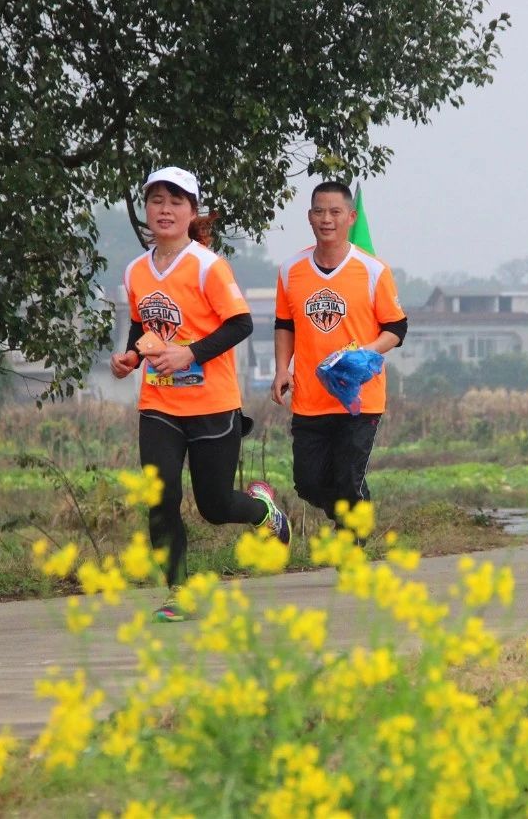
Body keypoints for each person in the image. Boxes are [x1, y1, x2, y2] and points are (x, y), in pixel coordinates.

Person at [111, 166, 290, 621]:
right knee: (161, 497)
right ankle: (178, 593)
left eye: (175, 201)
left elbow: (241, 323)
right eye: (156, 201)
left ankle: (263, 511)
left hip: (213, 404)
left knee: (214, 506)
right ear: (146, 210)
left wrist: (190, 354)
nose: (165, 210)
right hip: (159, 404)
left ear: (192, 212)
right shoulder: (136, 271)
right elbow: (142, 325)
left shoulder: (208, 266)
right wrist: (131, 356)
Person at [270, 181, 407, 534]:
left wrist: (366, 352)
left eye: (335, 212)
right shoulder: (291, 270)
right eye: (319, 211)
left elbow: (396, 328)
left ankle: (351, 539)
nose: (326, 219)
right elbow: (285, 324)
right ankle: (355, 513)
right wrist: (281, 369)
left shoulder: (374, 270)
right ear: (309, 217)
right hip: (310, 399)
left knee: (348, 479)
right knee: (308, 483)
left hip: (359, 399)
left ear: (351, 217)